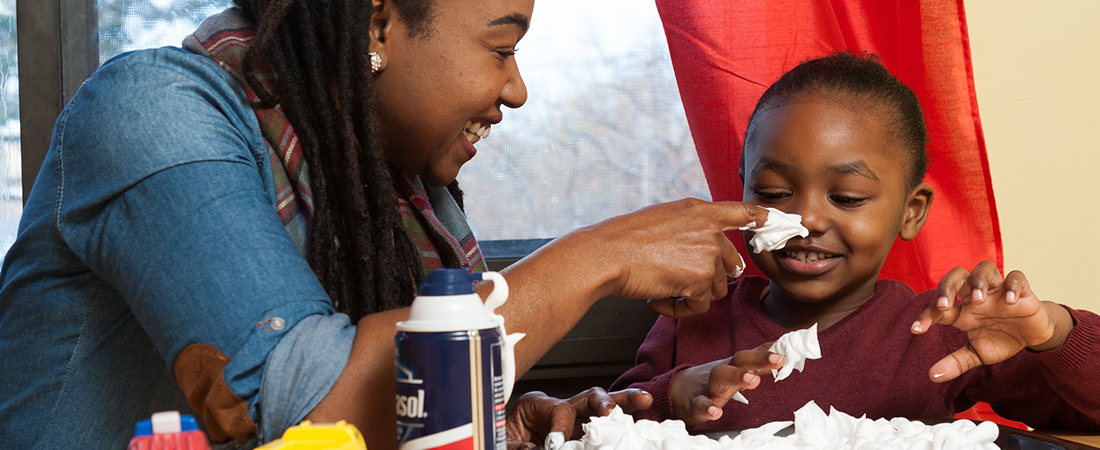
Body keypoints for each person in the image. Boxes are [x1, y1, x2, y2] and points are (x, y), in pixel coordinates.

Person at [0, 0, 772, 449]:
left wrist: (514, 426)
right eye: (501, 47)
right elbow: (312, 422)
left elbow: (399, 410)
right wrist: (599, 258)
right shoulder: (150, 113)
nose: (518, 88)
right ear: (377, 22)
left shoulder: (398, 182)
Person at [611, 51, 1100, 431]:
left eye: (846, 197)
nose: (804, 220)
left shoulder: (939, 335)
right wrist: (675, 395)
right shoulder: (695, 318)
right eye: (775, 193)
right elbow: (606, 424)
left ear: (911, 212)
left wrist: (1053, 332)